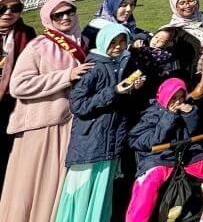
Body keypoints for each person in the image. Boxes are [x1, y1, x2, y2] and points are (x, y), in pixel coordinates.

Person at [0, 0, 91, 222]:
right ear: (48, 19)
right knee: (35, 182)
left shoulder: (85, 43)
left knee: (60, 182)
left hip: (73, 124)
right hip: (42, 126)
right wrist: (65, 77)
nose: (65, 18)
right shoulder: (39, 45)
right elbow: (19, 85)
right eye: (57, 15)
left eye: (69, 12)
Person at [54, 23, 146, 222]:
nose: (119, 46)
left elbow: (117, 103)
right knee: (81, 191)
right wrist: (114, 91)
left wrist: (130, 89)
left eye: (123, 41)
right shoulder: (93, 67)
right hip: (90, 142)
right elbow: (78, 105)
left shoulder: (118, 65)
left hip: (110, 141)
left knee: (102, 192)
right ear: (104, 41)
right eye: (114, 42)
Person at [125, 78, 203, 222]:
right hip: (158, 156)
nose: (178, 102)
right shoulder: (152, 113)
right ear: (165, 96)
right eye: (174, 98)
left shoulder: (185, 108)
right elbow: (141, 141)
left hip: (182, 154)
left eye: (181, 97)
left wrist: (190, 114)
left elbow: (190, 133)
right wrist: (169, 117)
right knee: (149, 182)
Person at [166, 0, 203, 141]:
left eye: (191, 1)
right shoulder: (174, 30)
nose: (187, 5)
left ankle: (200, 160)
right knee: (188, 126)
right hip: (189, 85)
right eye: (181, 3)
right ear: (175, 6)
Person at [0, 0, 33, 182]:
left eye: (15, 8)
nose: (8, 13)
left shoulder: (26, 34)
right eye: (2, 7)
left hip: (11, 105)